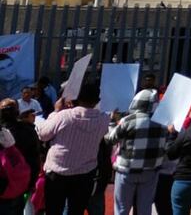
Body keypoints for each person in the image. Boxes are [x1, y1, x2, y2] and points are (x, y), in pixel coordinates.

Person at [37, 80, 109, 215]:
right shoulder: (104, 119)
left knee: (53, 210)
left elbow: (43, 135)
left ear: (78, 98)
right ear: (97, 100)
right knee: (76, 211)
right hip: (85, 173)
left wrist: (55, 111)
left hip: (57, 173)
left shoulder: (64, 116)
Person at [106, 89, 168, 215]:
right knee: (144, 209)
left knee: (122, 209)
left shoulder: (129, 120)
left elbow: (110, 139)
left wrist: (112, 122)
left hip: (126, 170)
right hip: (150, 171)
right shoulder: (163, 122)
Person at [1, 98, 40, 215]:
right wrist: (32, 182)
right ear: (17, 112)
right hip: (22, 185)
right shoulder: (29, 130)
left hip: (5, 188)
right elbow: (35, 159)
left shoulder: (4, 133)